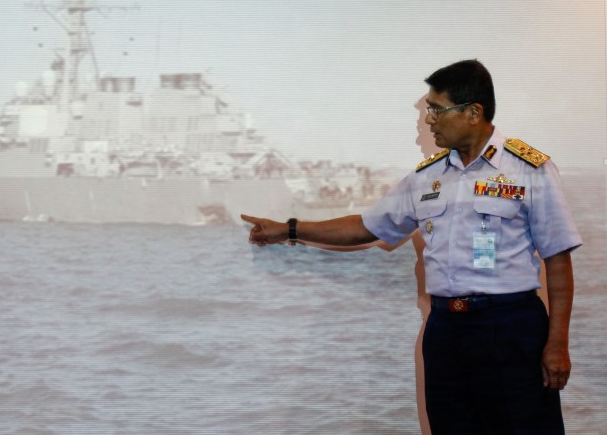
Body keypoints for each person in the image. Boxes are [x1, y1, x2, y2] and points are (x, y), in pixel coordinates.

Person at [242, 59, 581, 435]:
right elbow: (364, 227)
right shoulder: (426, 177)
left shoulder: (529, 169)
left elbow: (558, 259)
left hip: (511, 328)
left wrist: (557, 345)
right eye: (428, 111)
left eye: (437, 110)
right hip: (446, 331)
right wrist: (288, 229)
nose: (429, 120)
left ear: (473, 112)